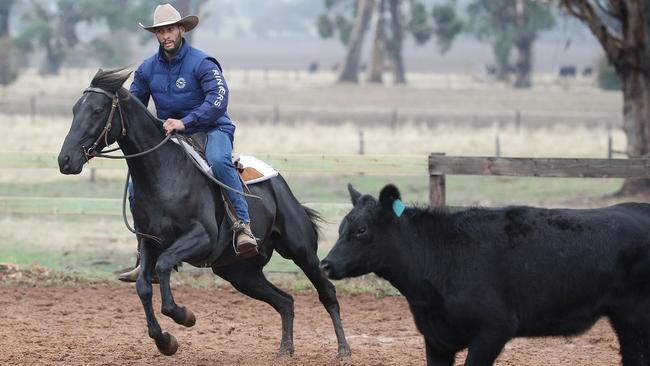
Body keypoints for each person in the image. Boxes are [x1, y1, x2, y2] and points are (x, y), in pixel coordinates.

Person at [118, 3, 257, 282]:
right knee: (136, 185)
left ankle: (243, 225)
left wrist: (186, 121)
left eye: (170, 29)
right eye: (160, 31)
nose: (166, 35)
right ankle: (146, 253)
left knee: (219, 161)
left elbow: (218, 100)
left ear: (181, 29)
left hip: (211, 129)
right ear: (155, 35)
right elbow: (135, 106)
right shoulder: (147, 69)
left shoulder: (203, 63)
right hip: (172, 136)